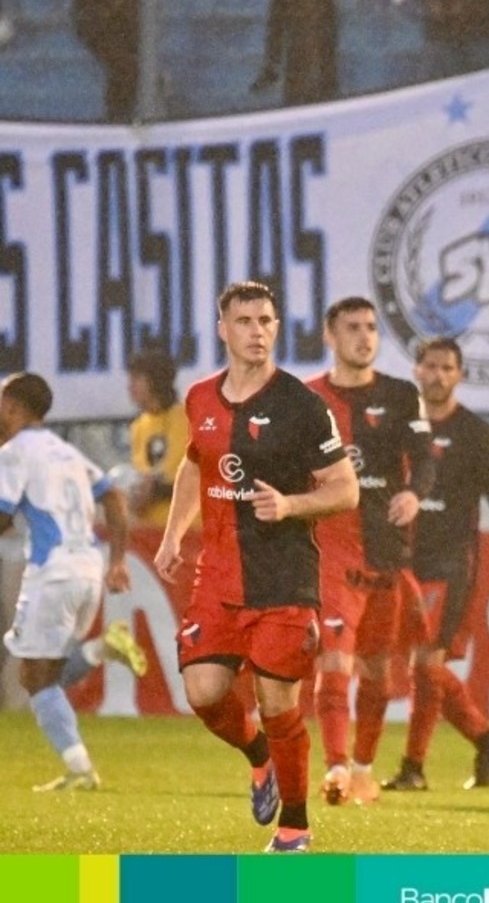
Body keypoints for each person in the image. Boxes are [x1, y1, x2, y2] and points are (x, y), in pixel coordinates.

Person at [153, 281, 359, 853]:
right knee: (203, 692)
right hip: (217, 578)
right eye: (244, 320)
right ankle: (258, 758)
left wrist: (292, 505)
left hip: (284, 579)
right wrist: (174, 534)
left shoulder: (302, 406)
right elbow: (196, 466)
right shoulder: (199, 399)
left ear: (276, 327)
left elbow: (346, 489)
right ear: (222, 328)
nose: (256, 331)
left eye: (266, 320)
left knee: (278, 705)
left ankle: (294, 825)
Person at [381, 337, 489, 793]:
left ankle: (416, 767)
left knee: (426, 664)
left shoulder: (478, 435)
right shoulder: (399, 429)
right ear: (417, 371)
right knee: (418, 667)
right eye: (431, 366)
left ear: (460, 374)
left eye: (448, 367)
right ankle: (485, 741)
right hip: (402, 560)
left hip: (450, 562)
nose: (439, 375)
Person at [306, 297, 433, 807]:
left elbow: (425, 458)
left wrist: (414, 493)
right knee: (334, 661)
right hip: (332, 547)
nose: (365, 336)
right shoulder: (307, 399)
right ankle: (335, 768)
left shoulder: (402, 395)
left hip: (385, 550)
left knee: (379, 670)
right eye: (353, 328)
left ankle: (361, 770)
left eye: (371, 328)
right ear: (329, 337)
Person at [0, 373, 143, 790]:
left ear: (11, 405)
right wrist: (117, 560)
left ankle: (81, 771)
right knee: (48, 675)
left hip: (53, 574)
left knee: (32, 676)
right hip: (87, 568)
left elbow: (3, 515)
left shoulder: (12, 453)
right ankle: (102, 648)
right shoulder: (65, 451)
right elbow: (114, 497)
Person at [126, 348, 188, 528]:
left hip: (190, 533)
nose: (130, 387)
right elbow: (143, 479)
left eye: (136, 379)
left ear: (156, 381)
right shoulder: (138, 427)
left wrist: (157, 490)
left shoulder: (191, 419)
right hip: (152, 534)